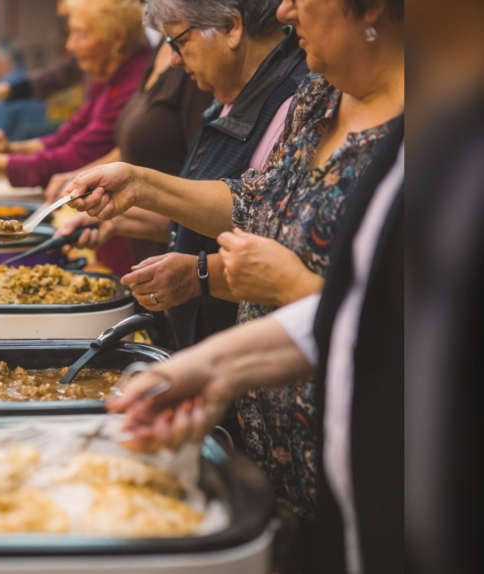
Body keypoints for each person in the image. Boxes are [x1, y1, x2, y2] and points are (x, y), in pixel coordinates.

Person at [64, 0, 403, 566]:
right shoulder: (319, 96)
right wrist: (140, 185)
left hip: (371, 469)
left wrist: (292, 289)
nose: (286, 9)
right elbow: (256, 202)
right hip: (277, 464)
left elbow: (412, 331)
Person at [108, 118, 404, 573]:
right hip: (295, 478)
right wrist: (212, 367)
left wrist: (292, 286)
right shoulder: (317, 97)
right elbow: (354, 310)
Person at [57, 0, 308, 352]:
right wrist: (120, 216)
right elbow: (214, 213)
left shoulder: (295, 101)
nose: (174, 58)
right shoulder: (229, 95)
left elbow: (269, 228)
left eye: (180, 41)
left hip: (243, 351)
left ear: (232, 28)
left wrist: (199, 275)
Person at [0, 0, 151, 189]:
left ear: (117, 38)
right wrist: (10, 148)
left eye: (81, 34)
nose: (70, 45)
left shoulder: (133, 81)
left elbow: (69, 158)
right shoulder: (106, 73)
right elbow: (66, 136)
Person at [0, 0, 84, 105]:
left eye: (81, 33)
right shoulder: (22, 77)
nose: (70, 45)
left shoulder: (10, 80)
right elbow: (54, 77)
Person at [0, 38, 50, 140]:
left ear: (0, 60)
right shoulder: (33, 83)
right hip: (38, 148)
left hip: (11, 149)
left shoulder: (2, 89)